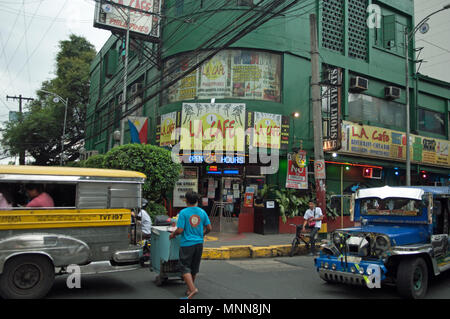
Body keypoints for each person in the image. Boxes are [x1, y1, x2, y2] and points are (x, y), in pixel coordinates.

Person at [169, 191, 212, 299]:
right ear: (197, 201)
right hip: (199, 243)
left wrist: (173, 234)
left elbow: (180, 230)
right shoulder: (202, 212)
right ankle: (190, 288)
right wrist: (201, 234)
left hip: (187, 244)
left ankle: (192, 289)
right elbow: (209, 228)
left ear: (186, 200)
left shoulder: (183, 212)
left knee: (184, 267)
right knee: (194, 267)